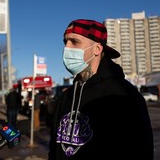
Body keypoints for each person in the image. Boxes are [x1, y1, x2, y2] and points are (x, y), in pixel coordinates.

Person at [48, 19, 153, 159]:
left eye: (74, 42)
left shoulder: (123, 95)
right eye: (65, 42)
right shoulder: (66, 97)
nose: (67, 48)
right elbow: (54, 150)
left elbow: (140, 151)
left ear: (97, 48)